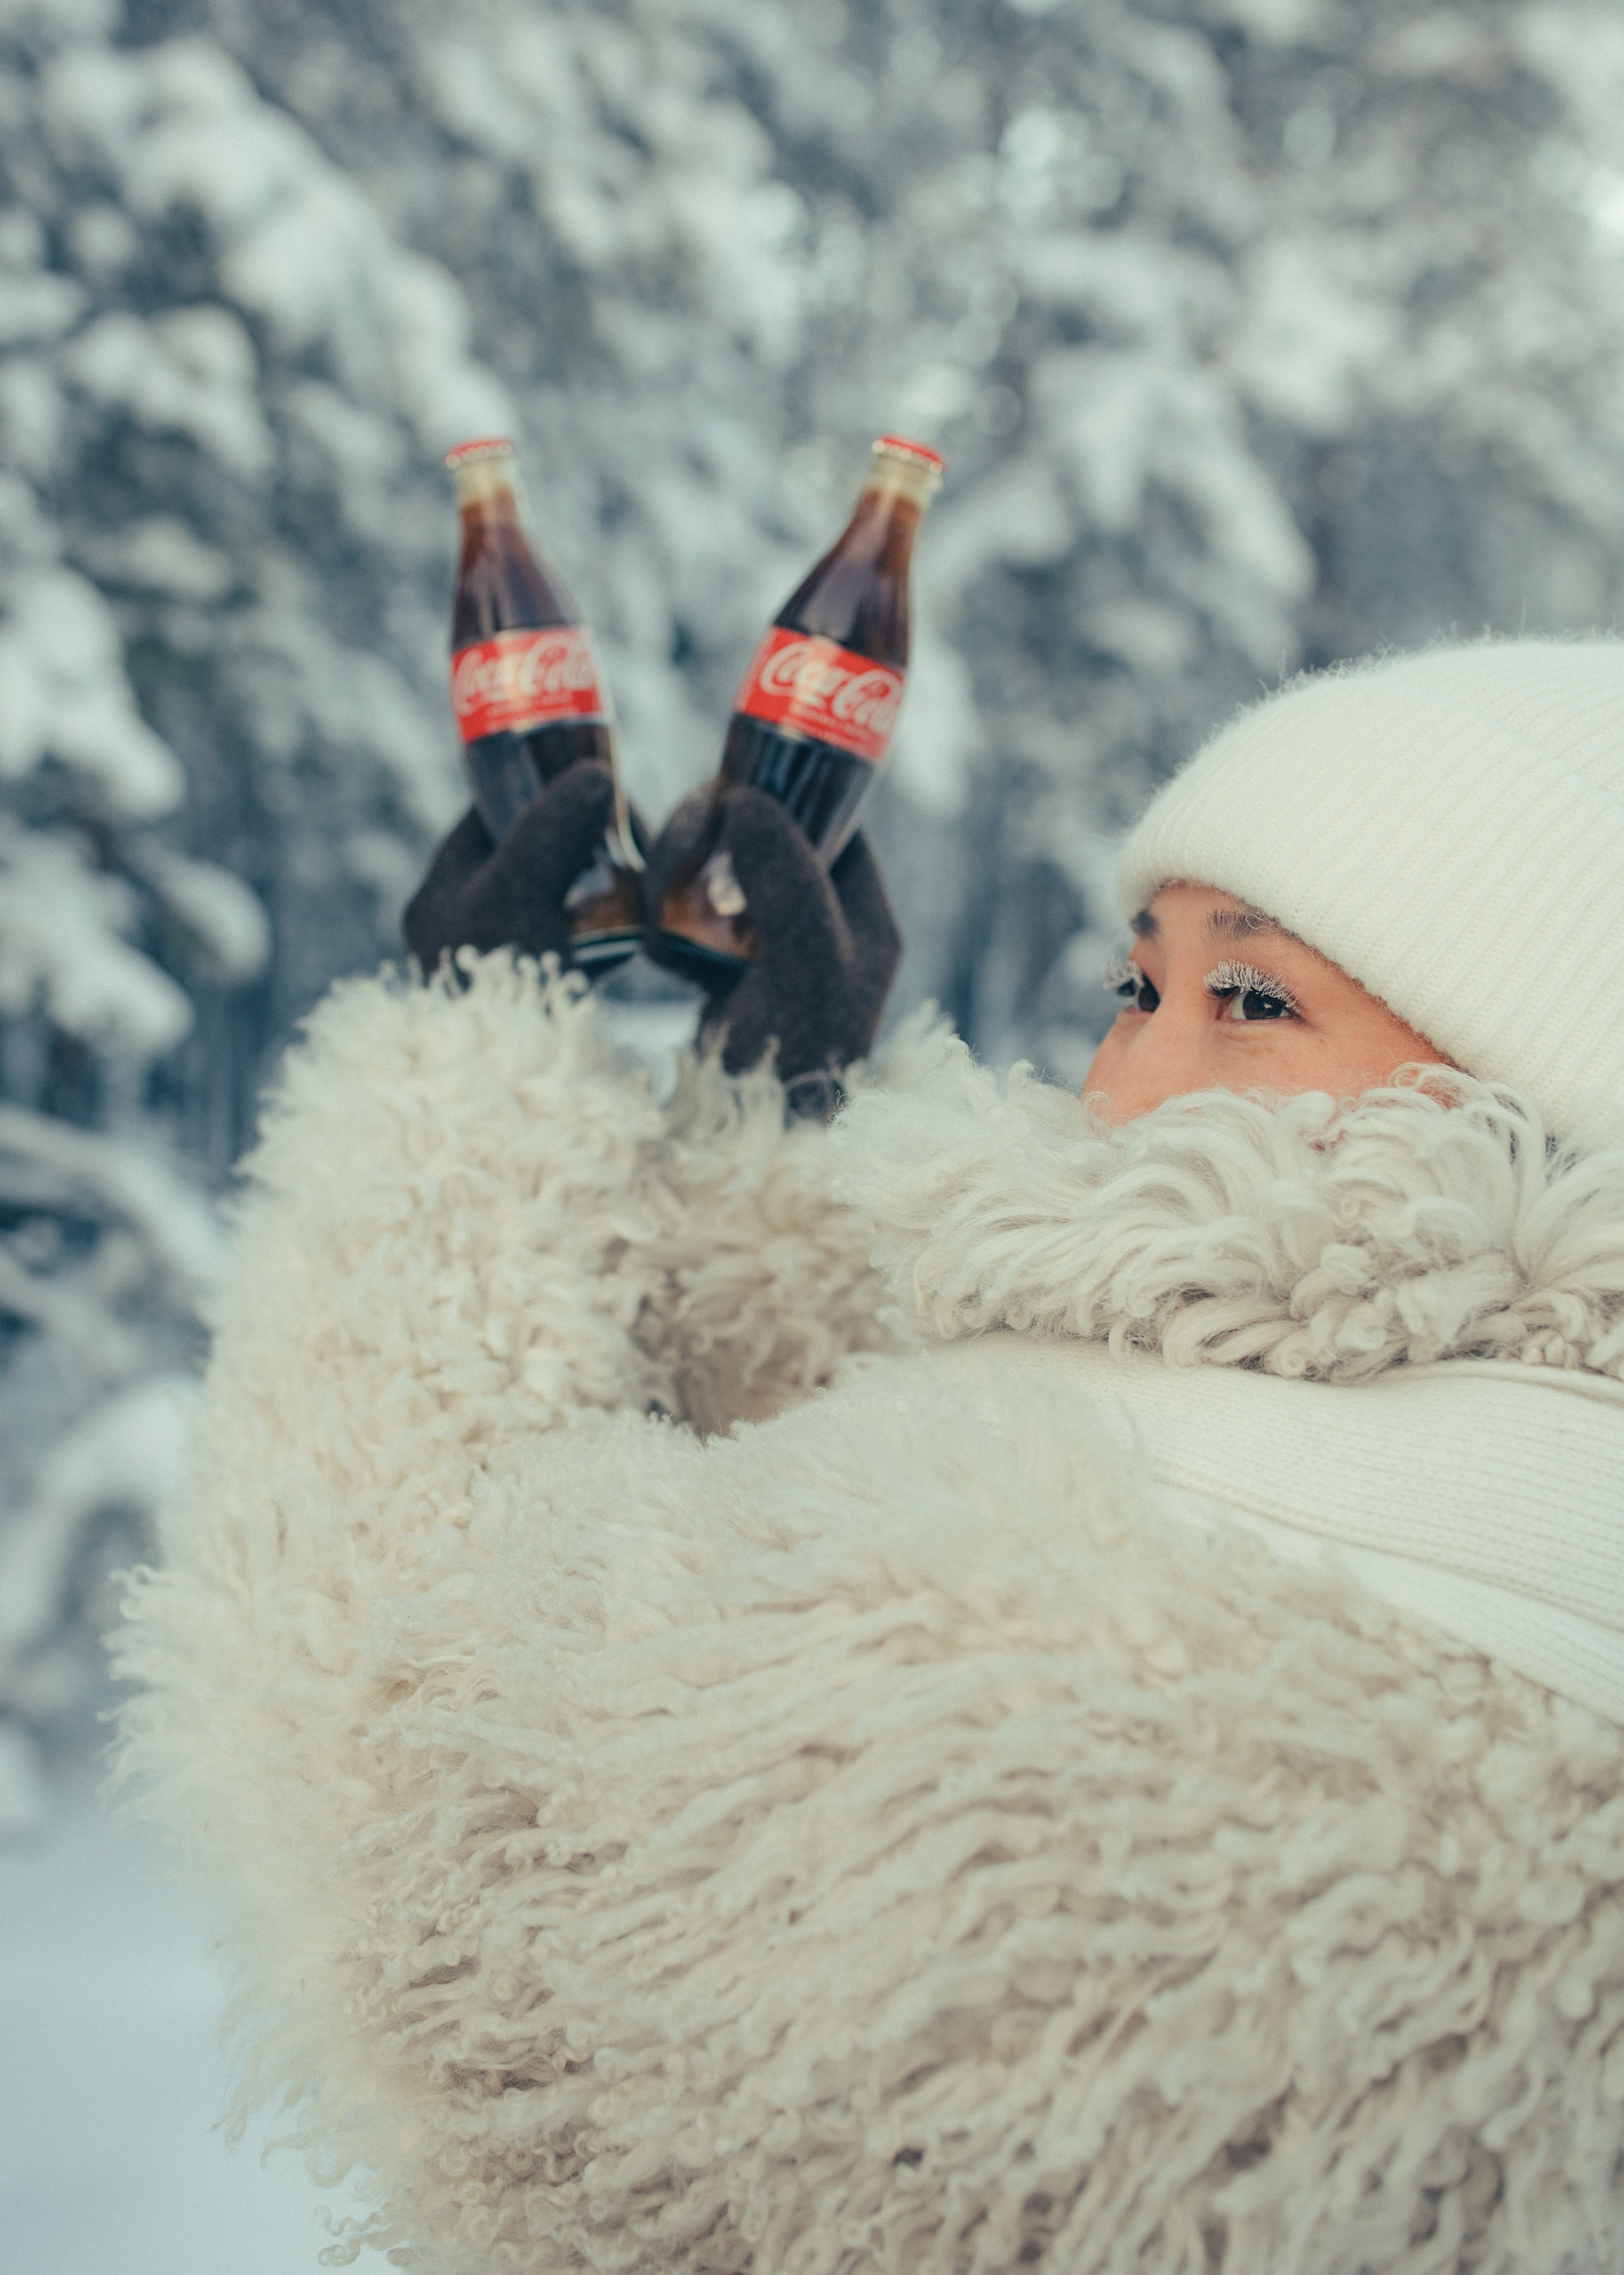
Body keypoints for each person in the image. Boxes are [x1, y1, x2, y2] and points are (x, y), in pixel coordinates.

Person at [115, 639, 1624, 2275]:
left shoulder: (1064, 1675)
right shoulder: (1526, 1535)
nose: (1123, 1085)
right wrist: (782, 1131)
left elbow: (397, 1757)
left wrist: (446, 1088)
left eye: (1250, 999)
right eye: (1137, 987)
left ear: (1547, 1084)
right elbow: (1008, 1469)